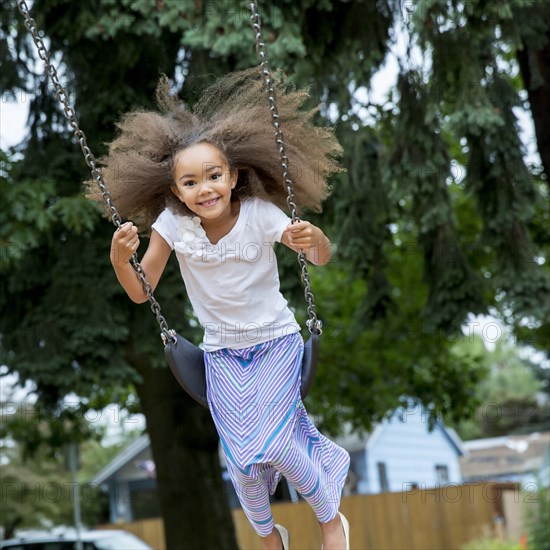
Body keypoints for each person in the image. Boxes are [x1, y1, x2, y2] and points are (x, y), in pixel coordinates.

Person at [87, 68, 350, 550]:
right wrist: (120, 260)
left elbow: (316, 256)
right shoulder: (172, 225)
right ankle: (269, 534)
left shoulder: (260, 215)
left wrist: (317, 241)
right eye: (190, 182)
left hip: (275, 343)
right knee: (242, 461)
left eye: (213, 176)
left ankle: (330, 518)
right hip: (222, 355)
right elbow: (142, 291)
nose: (204, 188)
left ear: (232, 177)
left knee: (272, 443)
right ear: (175, 191)